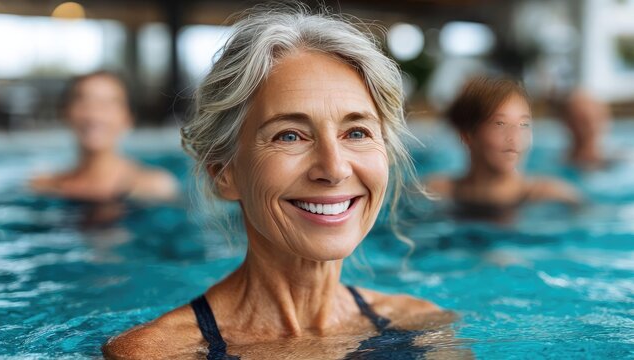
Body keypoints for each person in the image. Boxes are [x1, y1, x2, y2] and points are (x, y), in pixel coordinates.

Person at [101, 5, 455, 359]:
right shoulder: (157, 353)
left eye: (357, 132)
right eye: (289, 136)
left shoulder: (420, 325)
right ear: (223, 174)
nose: (334, 169)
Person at [426, 77, 580, 216]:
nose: (514, 137)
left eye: (524, 125)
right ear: (467, 134)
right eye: (500, 124)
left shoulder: (556, 197)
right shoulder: (432, 193)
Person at [30, 71, 178, 203]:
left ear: (128, 118)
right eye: (84, 102)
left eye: (108, 104)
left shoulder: (153, 187)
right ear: (65, 113)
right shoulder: (45, 187)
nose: (94, 115)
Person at [559, 88, 612, 170]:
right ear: (567, 123)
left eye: (596, 117)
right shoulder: (560, 164)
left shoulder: (619, 160)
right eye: (582, 119)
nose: (590, 125)